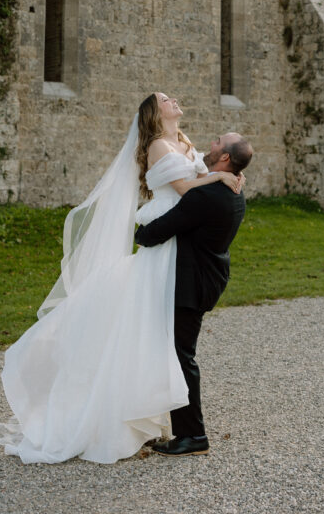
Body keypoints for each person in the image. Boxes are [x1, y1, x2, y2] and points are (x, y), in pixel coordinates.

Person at [0, 91, 244, 465]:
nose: (174, 99)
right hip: (166, 242)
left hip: (179, 245)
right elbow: (187, 189)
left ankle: (166, 419)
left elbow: (203, 173)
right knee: (153, 336)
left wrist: (230, 174)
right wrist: (220, 178)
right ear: (155, 113)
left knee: (161, 340)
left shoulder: (184, 140)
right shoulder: (157, 145)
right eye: (165, 99)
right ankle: (158, 422)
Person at [135, 127, 252, 457]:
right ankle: (179, 428)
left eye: (216, 142)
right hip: (207, 277)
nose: (209, 145)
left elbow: (155, 232)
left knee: (181, 356)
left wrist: (140, 231)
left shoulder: (206, 196)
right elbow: (197, 163)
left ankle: (193, 436)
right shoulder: (231, 189)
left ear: (225, 157)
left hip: (190, 283)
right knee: (178, 353)